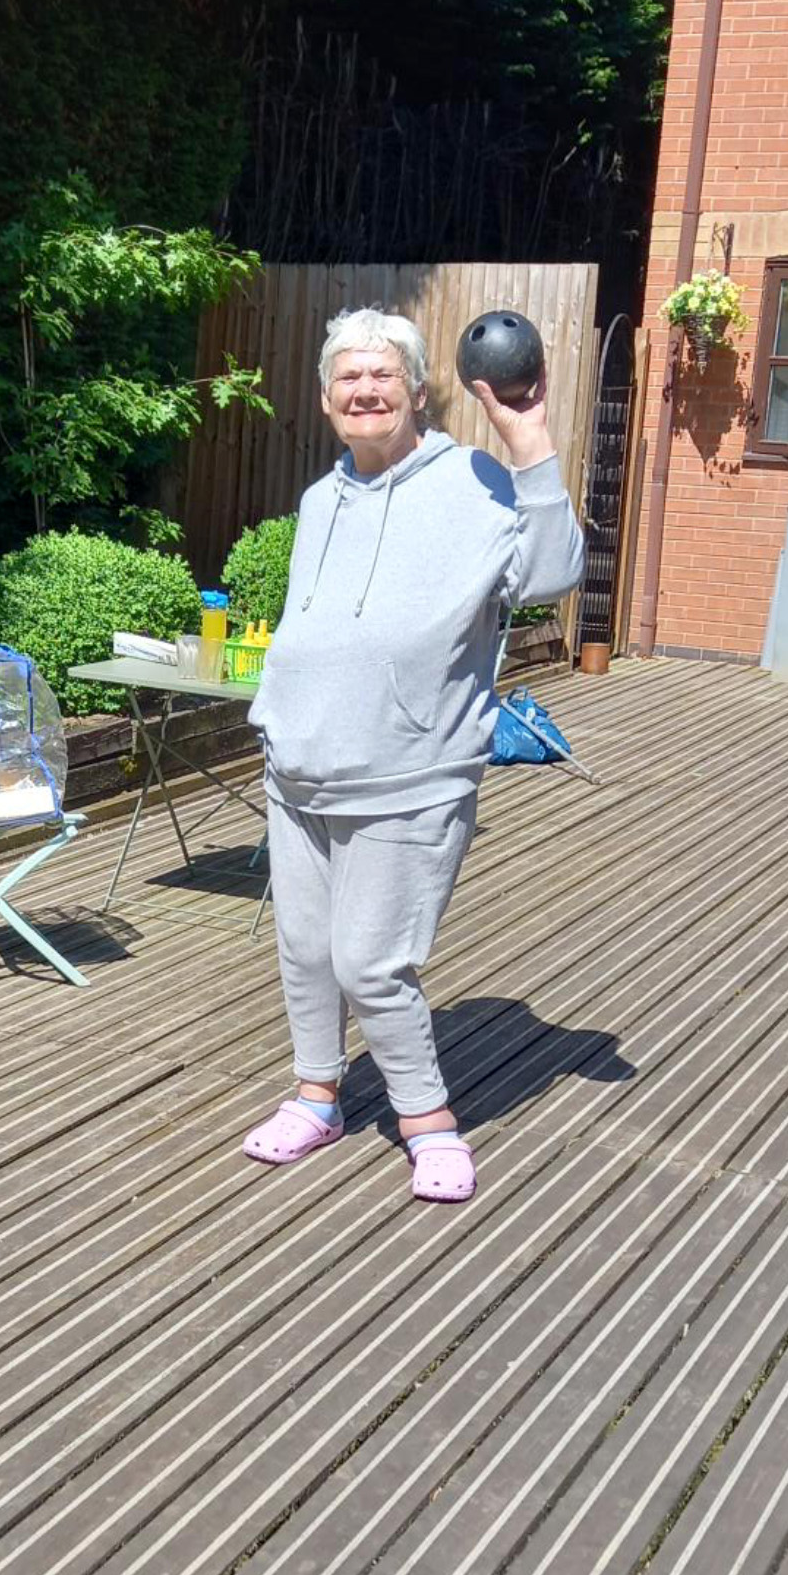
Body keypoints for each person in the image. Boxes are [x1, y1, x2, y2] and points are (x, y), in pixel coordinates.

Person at [240, 306, 585, 1202]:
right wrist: (280, 714)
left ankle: (428, 1121)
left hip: (409, 773)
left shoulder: (472, 481)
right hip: (301, 767)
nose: (365, 390)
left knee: (371, 964)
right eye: (348, 377)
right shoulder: (322, 499)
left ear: (419, 390)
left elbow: (552, 574)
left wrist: (528, 439)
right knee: (305, 952)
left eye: (382, 374)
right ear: (326, 399)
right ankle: (316, 1098)